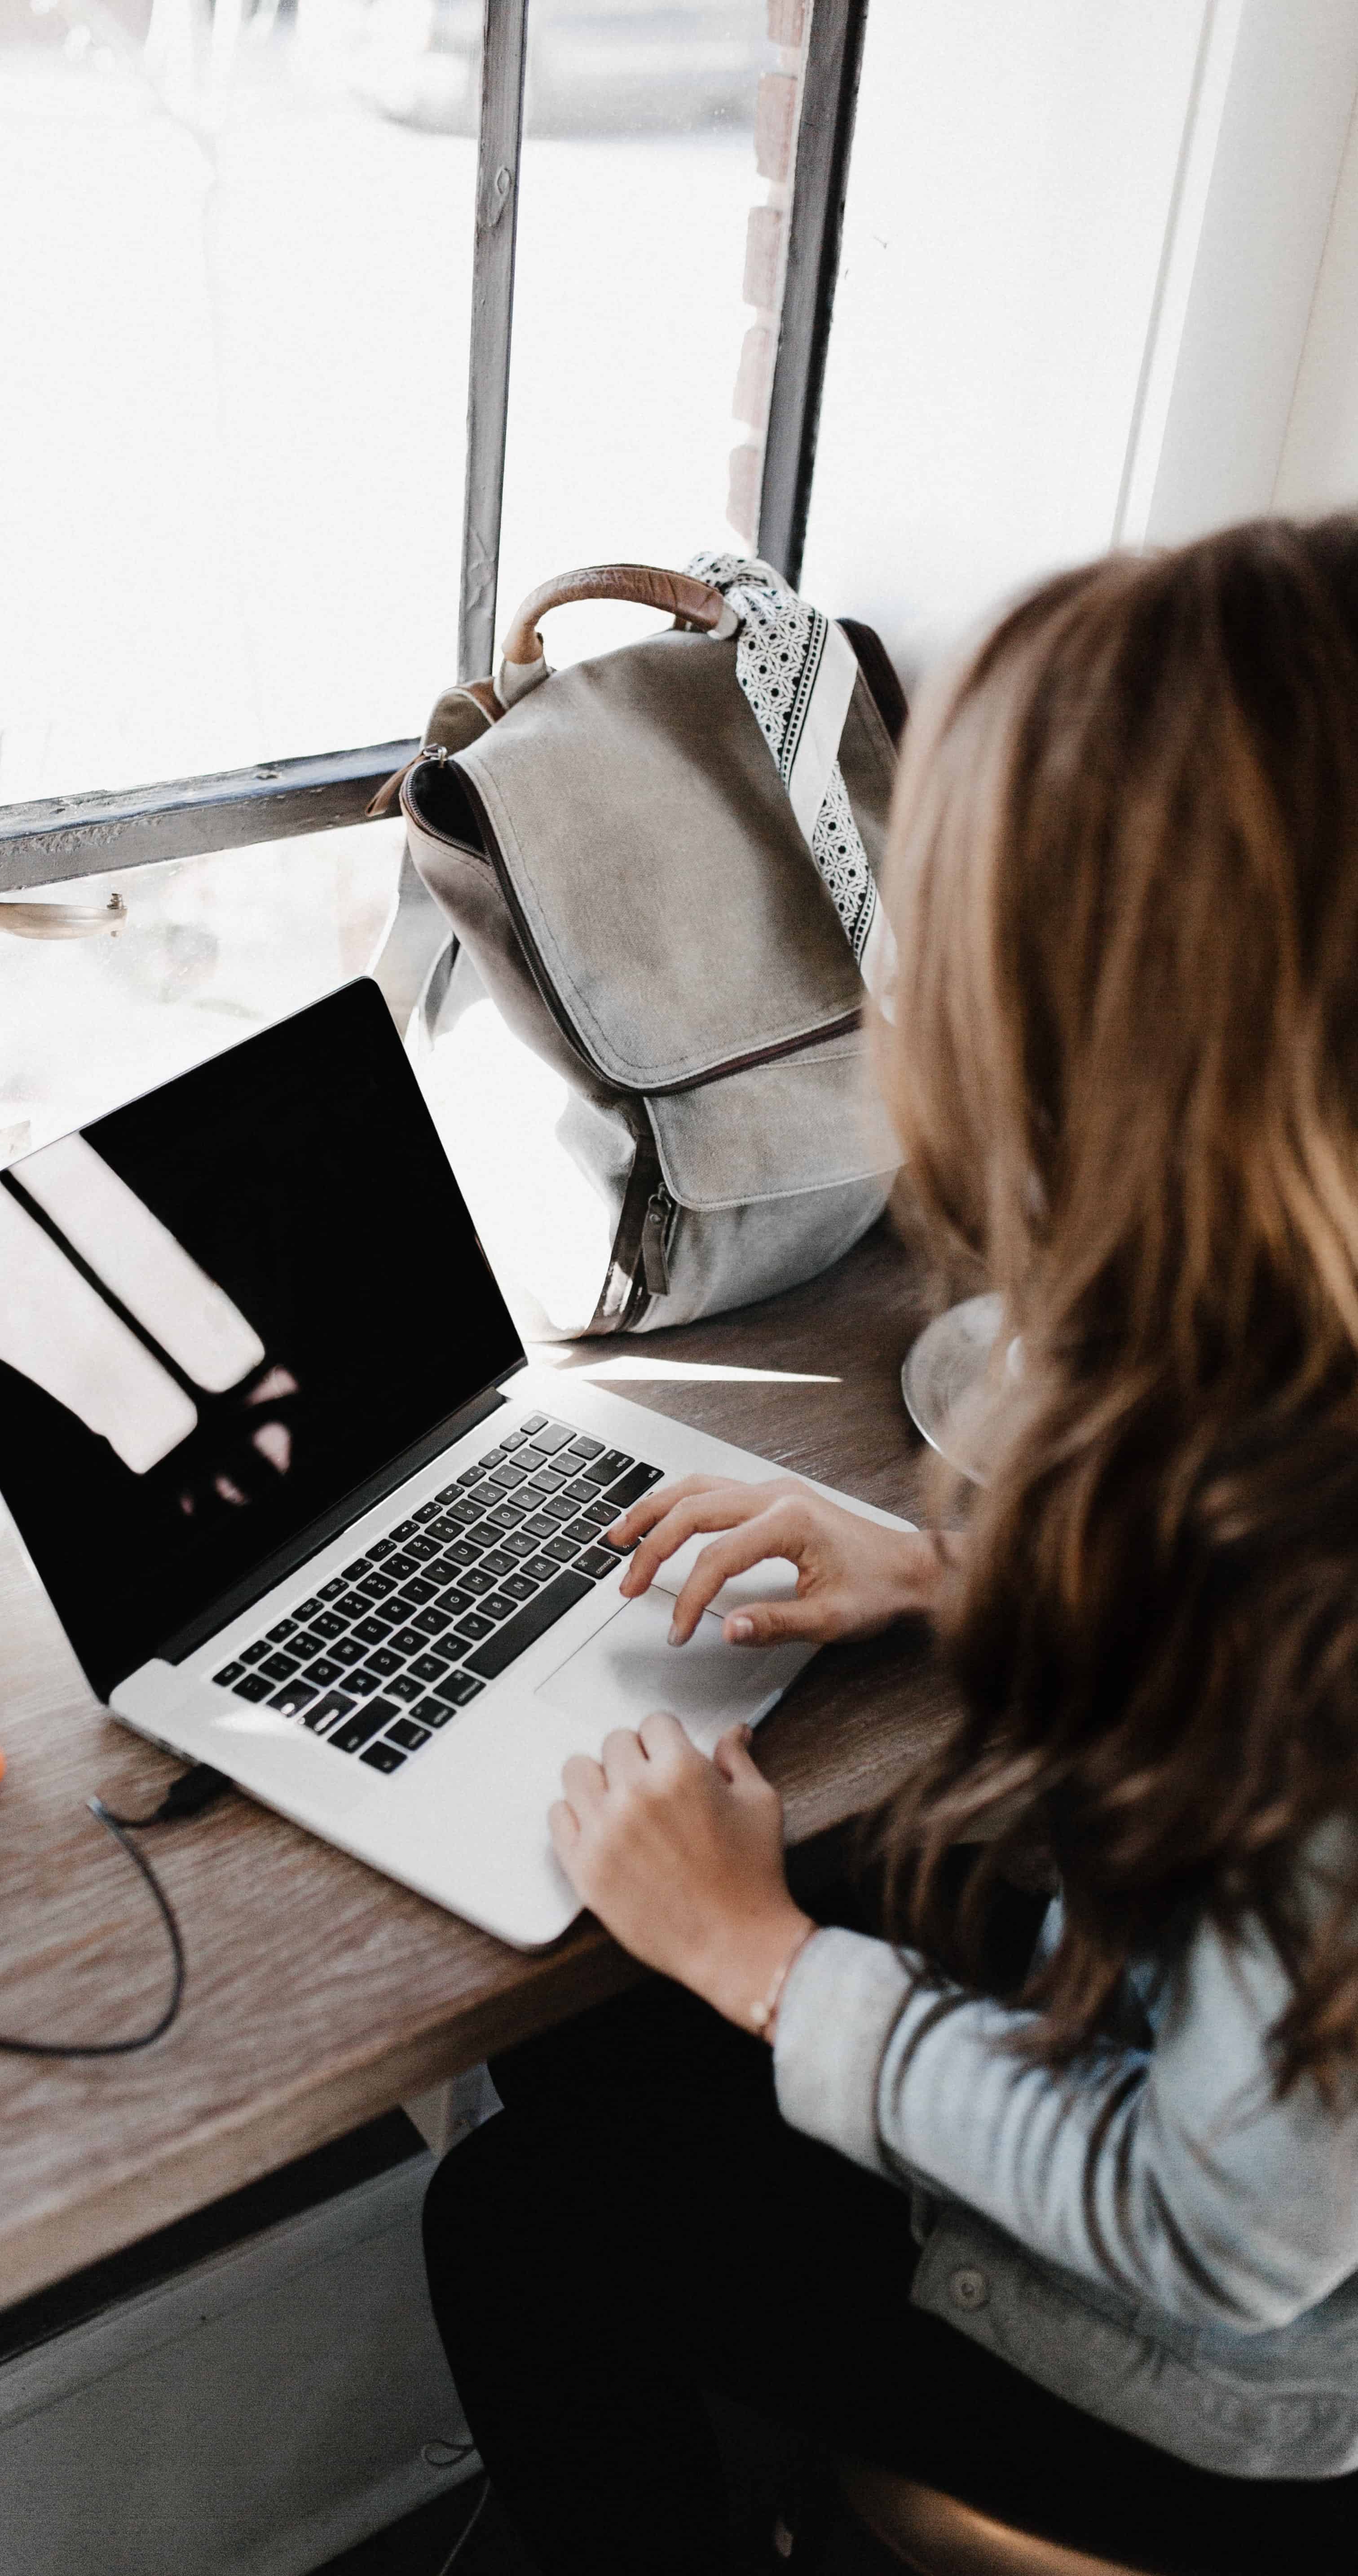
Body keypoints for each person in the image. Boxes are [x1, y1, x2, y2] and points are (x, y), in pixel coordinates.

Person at [422, 515, 1358, 2575]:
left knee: (524, 2218)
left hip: (1258, 2412)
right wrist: (953, 1574)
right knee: (616, 2046)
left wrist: (760, 1958)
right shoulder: (1278, 1407)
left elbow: (1221, 2240)